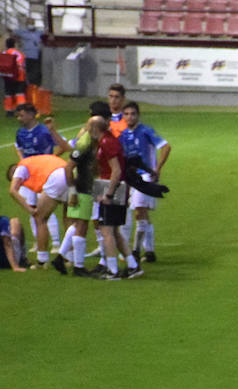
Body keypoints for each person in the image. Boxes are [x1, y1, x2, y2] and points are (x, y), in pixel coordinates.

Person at [118, 101, 170, 263]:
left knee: (140, 213)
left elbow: (166, 147)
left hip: (145, 177)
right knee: (141, 214)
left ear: (138, 115)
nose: (130, 117)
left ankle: (136, 250)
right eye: (126, 114)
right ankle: (150, 251)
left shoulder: (146, 131)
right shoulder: (122, 135)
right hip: (131, 178)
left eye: (133, 114)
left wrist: (158, 168)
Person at [12, 103, 67, 252]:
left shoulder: (44, 131)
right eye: (18, 115)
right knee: (32, 207)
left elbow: (64, 145)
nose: (19, 118)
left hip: (46, 174)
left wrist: (51, 158)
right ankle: (39, 242)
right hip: (29, 175)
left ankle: (55, 242)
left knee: (45, 209)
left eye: (22, 115)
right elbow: (19, 148)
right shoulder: (20, 133)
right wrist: (23, 162)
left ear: (31, 114)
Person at [93, 114, 140, 279]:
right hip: (107, 185)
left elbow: (117, 170)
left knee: (106, 230)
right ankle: (133, 265)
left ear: (95, 128)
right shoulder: (105, 141)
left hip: (111, 187)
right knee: (114, 230)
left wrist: (108, 193)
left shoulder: (107, 142)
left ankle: (112, 270)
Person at [55, 115, 100, 277]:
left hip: (81, 187)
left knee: (75, 225)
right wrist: (72, 191)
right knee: (82, 226)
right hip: (81, 188)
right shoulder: (84, 144)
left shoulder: (88, 141)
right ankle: (78, 267)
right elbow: (69, 167)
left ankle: (60, 257)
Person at [6, 153, 66, 269]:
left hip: (55, 176)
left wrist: (30, 210)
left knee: (39, 218)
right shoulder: (34, 162)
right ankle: (70, 258)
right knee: (68, 217)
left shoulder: (21, 167)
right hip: (68, 172)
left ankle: (42, 260)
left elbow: (12, 191)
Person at [1, 36, 26, 115]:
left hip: (7, 76)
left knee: (8, 93)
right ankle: (21, 110)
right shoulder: (18, 53)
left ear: (6, 45)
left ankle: (9, 111)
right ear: (14, 44)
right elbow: (20, 64)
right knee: (20, 93)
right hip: (19, 76)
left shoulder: (4, 53)